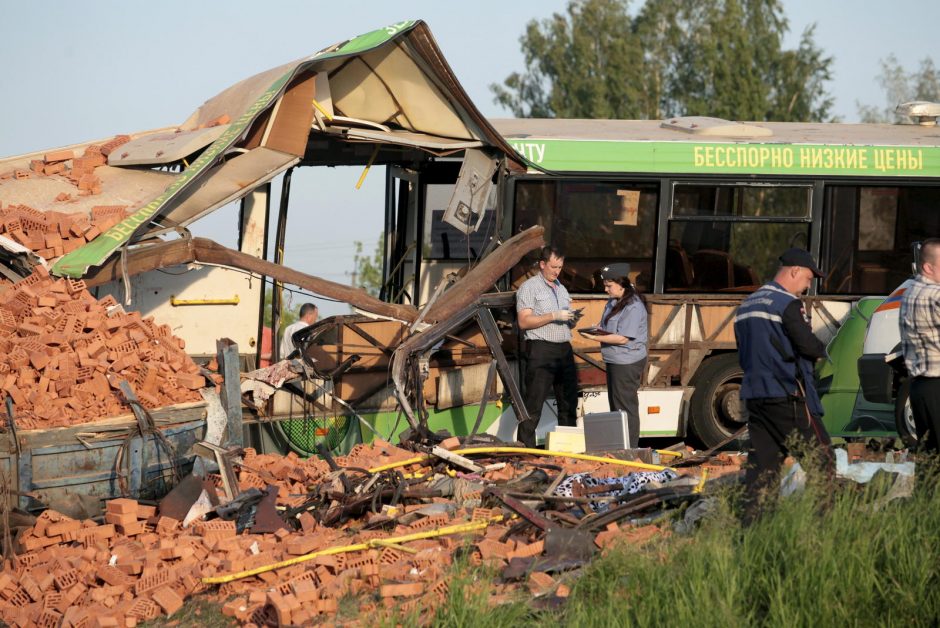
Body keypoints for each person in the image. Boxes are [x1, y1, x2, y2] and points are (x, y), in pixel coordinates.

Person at [733, 248, 834, 523]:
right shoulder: (787, 303)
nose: (808, 285)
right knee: (822, 460)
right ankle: (821, 530)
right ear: (794, 271)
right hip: (787, 395)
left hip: (754, 396)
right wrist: (823, 350)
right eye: (808, 278)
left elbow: (743, 351)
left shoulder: (748, 305)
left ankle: (753, 532)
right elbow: (806, 345)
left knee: (762, 469)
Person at [515, 246, 580, 447]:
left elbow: (566, 320)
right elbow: (524, 322)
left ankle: (569, 451)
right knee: (533, 405)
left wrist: (572, 318)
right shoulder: (529, 287)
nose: (557, 271)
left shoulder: (562, 288)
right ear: (542, 264)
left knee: (569, 403)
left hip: (564, 348)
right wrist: (553, 316)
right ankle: (525, 452)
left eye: (560, 267)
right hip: (541, 349)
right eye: (553, 267)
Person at [581, 263, 648, 448]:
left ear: (621, 284)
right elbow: (610, 327)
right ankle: (621, 445)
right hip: (614, 359)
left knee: (626, 407)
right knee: (617, 407)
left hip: (626, 361)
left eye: (609, 285)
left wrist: (593, 337)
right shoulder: (613, 301)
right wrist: (598, 329)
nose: (605, 289)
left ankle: (631, 449)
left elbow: (623, 338)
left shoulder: (633, 305)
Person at [900, 238, 940, 453]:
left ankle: (925, 488)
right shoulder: (934, 295)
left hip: (919, 386)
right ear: (928, 267)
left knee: (929, 457)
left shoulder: (910, 293)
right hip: (937, 382)